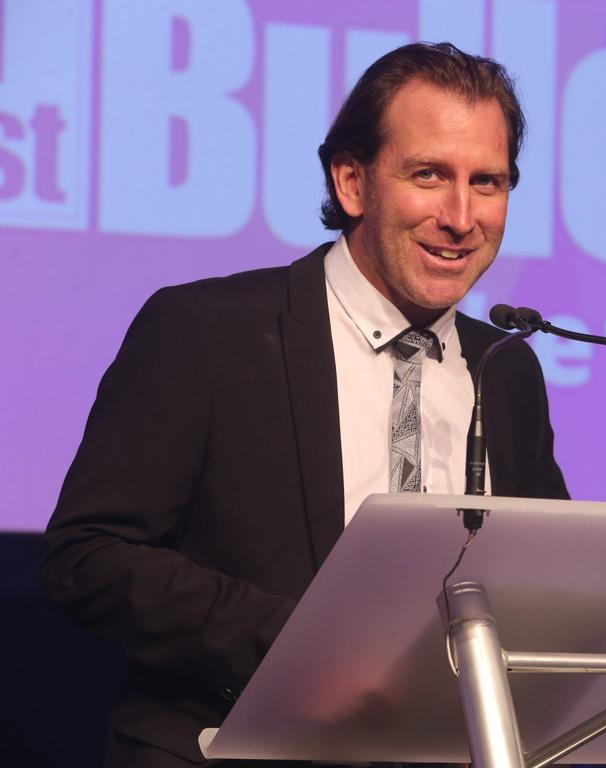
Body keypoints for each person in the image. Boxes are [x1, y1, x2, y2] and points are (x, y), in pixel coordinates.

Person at [41, 42, 567, 767]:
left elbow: (550, 580)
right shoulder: (205, 331)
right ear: (352, 181)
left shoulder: (506, 368)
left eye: (488, 182)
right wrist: (303, 644)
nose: (461, 215)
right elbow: (88, 556)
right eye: (428, 175)